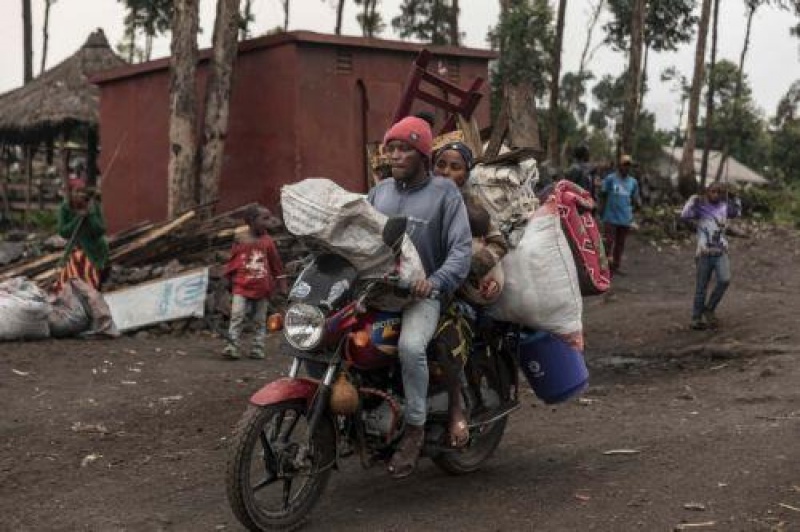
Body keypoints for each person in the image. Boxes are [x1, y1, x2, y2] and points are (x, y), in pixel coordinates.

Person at [368, 116, 472, 478]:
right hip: (379, 290)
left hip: (422, 296)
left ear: (423, 155)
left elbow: (461, 250)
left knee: (411, 347)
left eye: (403, 149)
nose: (394, 155)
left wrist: (436, 281)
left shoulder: (445, 193)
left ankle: (414, 428)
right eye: (391, 148)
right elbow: (357, 236)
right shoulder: (380, 192)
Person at [432, 141, 509, 449]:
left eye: (455, 167)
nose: (446, 172)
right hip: (421, 286)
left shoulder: (472, 205)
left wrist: (474, 266)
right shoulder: (416, 195)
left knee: (446, 343)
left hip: (460, 292)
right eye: (441, 164)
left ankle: (456, 410)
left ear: (466, 173)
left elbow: (498, 243)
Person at [223, 205, 286, 360]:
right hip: (241, 286)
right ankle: (232, 346)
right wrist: (228, 279)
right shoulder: (241, 240)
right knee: (237, 316)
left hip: (262, 288)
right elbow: (233, 261)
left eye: (269, 218)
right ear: (251, 221)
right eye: (264, 219)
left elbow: (276, 264)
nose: (268, 222)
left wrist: (282, 284)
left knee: (259, 320)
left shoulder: (268, 242)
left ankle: (257, 348)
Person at [680, 182, 742, 330]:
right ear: (707, 192)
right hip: (704, 252)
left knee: (725, 279)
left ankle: (709, 309)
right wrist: (692, 200)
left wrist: (735, 198)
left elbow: (738, 213)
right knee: (701, 287)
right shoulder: (700, 207)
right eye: (713, 191)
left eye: (719, 192)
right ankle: (696, 318)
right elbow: (684, 215)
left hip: (720, 251)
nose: (716, 194)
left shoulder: (724, 207)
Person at [55, 178, 110, 292]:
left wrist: (90, 215)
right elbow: (64, 232)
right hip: (74, 250)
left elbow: (100, 230)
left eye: (82, 191)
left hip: (94, 250)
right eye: (77, 191)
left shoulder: (93, 206)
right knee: (70, 279)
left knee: (91, 281)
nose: (80, 195)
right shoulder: (65, 208)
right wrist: (78, 218)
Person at [599, 155, 641, 275]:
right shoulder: (610, 179)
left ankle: (616, 266)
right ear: (619, 166)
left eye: (629, 166)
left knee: (620, 244)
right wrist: (601, 211)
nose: (627, 168)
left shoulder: (633, 182)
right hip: (610, 217)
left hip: (625, 219)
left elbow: (635, 198)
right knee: (608, 243)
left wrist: (635, 209)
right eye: (625, 165)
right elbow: (602, 194)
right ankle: (603, 267)